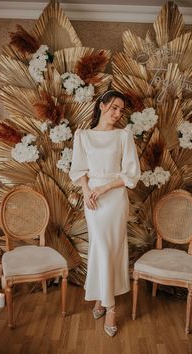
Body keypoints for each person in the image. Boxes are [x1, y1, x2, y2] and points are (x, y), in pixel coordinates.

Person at [69, 90, 141, 337]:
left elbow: (131, 174)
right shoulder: (83, 136)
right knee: (100, 248)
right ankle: (104, 300)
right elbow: (79, 169)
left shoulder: (123, 136)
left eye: (121, 110)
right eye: (114, 108)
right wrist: (88, 190)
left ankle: (107, 305)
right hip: (93, 203)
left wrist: (105, 187)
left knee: (111, 248)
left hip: (114, 199)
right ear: (102, 105)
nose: (118, 114)